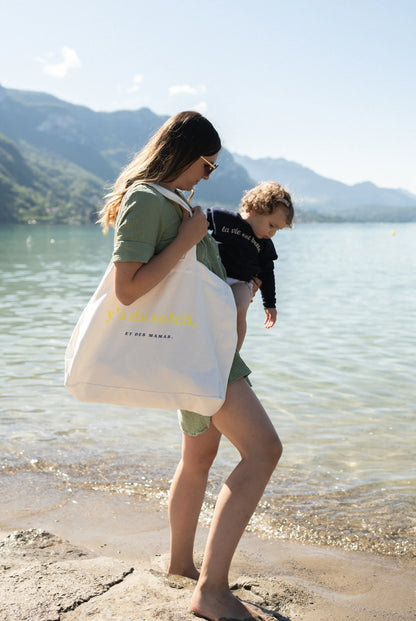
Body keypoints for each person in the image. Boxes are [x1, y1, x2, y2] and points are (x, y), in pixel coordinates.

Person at [99, 111, 282, 621]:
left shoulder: (173, 202)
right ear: (182, 155)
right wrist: (189, 237)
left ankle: (181, 565)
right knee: (264, 450)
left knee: (199, 455)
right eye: (207, 165)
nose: (207, 176)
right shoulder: (146, 199)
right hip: (200, 354)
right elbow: (128, 290)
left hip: (197, 349)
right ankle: (212, 590)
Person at [206, 183, 294, 351]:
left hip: (242, 283)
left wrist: (270, 304)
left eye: (277, 230)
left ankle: (233, 355)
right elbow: (195, 221)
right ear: (255, 208)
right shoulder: (222, 217)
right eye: (271, 225)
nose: (272, 233)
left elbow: (268, 273)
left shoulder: (265, 243)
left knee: (239, 307)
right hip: (212, 277)